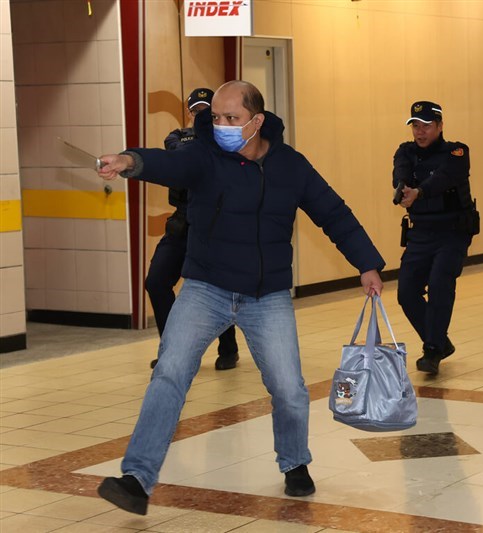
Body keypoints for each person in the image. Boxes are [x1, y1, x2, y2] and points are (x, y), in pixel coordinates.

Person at [94, 80, 385, 515]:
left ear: (257, 121)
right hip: (205, 288)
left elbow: (333, 213)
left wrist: (367, 263)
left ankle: (295, 463)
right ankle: (137, 478)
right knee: (169, 373)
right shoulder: (205, 156)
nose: (222, 125)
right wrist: (131, 161)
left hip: (265, 296)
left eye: (232, 118)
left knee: (289, 388)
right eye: (216, 117)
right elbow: (170, 165)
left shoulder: (290, 166)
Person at [145, 87, 239, 371]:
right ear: (190, 113)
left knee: (216, 287)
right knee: (156, 282)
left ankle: (228, 348)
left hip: (214, 223)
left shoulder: (227, 142)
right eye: (196, 110)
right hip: (182, 221)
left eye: (206, 111)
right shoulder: (177, 137)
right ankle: (172, 350)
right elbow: (174, 148)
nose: (200, 115)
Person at [393, 101, 478, 376]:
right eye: (416, 126)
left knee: (441, 283)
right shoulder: (405, 152)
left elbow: (444, 178)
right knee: (406, 292)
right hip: (420, 232)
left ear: (440, 126)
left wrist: (420, 193)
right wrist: (402, 188)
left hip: (453, 232)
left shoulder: (457, 151)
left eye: (427, 126)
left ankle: (432, 350)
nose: (420, 132)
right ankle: (441, 341)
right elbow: (401, 172)